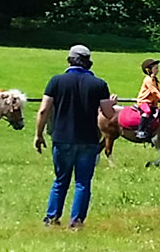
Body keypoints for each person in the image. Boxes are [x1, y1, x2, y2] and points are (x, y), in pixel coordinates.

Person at [33, 45, 117, 231]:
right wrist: (112, 103)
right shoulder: (99, 84)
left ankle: (51, 218)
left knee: (60, 180)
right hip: (88, 139)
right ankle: (76, 222)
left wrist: (38, 134)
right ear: (88, 62)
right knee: (82, 182)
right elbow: (109, 114)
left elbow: (43, 110)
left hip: (62, 138)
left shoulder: (56, 81)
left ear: (69, 60)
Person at [134, 59, 160, 141]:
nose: (158, 70)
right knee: (147, 112)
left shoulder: (154, 79)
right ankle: (140, 130)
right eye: (156, 68)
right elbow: (154, 91)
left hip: (152, 102)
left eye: (157, 68)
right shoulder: (148, 80)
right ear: (149, 70)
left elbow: (158, 91)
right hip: (144, 101)